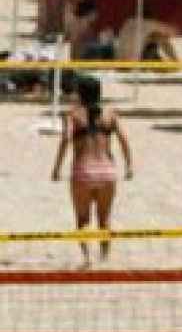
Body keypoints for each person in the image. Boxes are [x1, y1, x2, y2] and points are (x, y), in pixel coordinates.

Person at [51, 76, 133, 266]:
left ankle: (87, 258)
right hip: (107, 171)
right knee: (104, 219)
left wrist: (56, 168)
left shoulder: (72, 115)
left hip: (83, 171)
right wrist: (129, 165)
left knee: (82, 219)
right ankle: (104, 258)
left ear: (80, 94)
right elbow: (124, 139)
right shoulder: (110, 113)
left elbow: (65, 140)